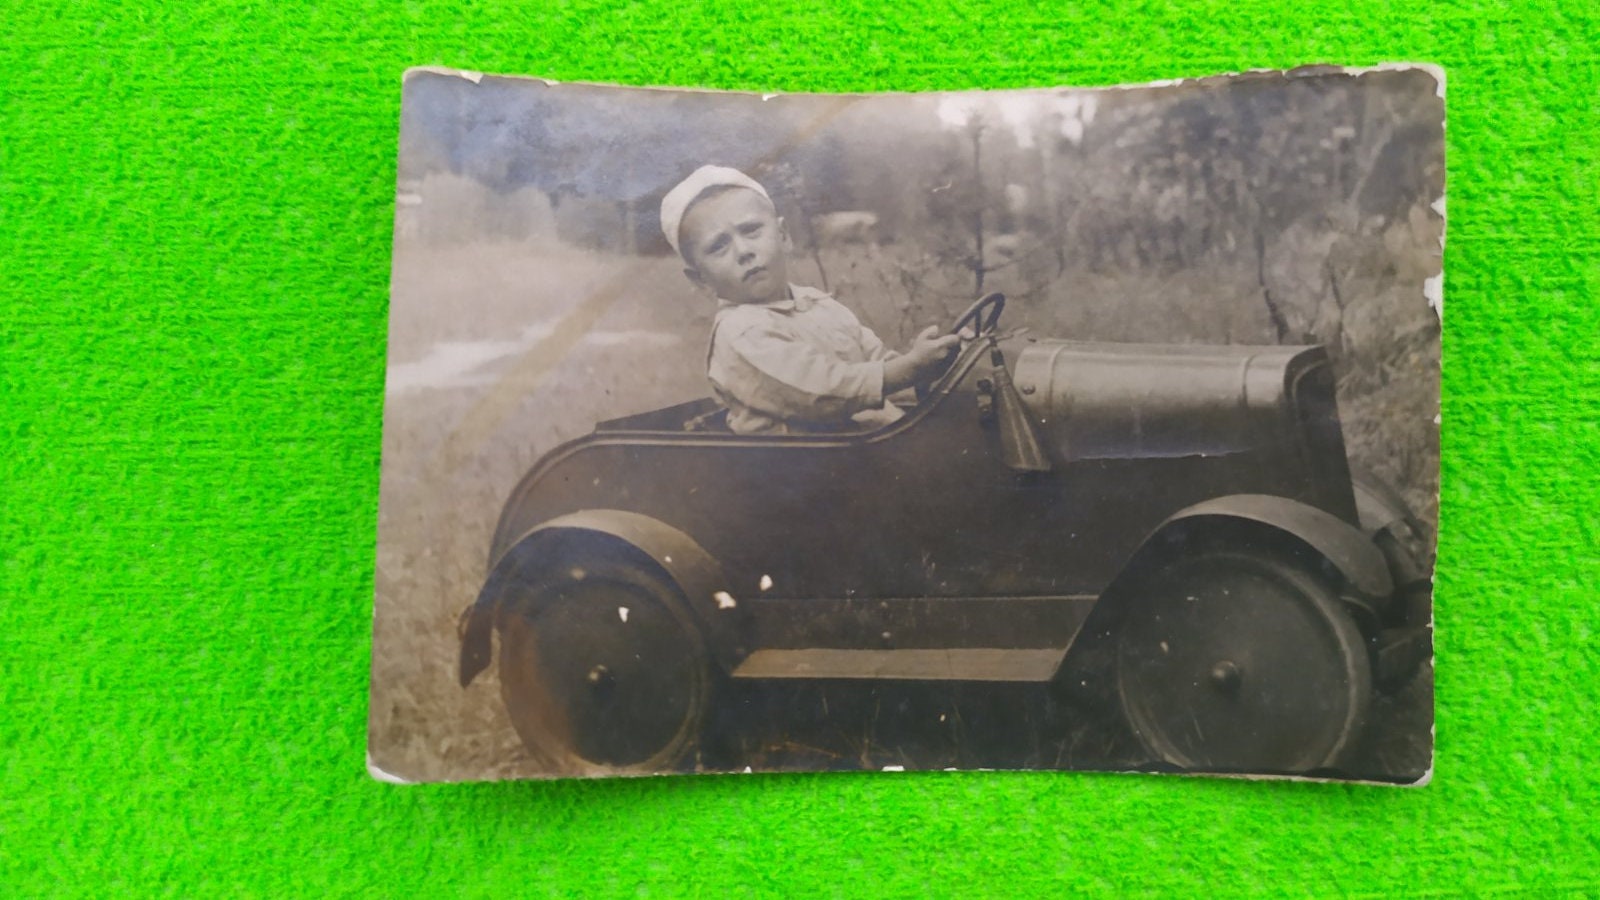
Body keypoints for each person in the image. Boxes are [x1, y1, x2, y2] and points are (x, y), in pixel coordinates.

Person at [659, 165, 959, 435]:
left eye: (751, 230)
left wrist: (927, 364)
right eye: (719, 246)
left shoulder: (818, 304)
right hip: (799, 476)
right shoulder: (741, 332)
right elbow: (821, 392)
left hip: (863, 454)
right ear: (700, 279)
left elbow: (876, 360)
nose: (743, 251)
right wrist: (908, 370)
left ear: (783, 235)